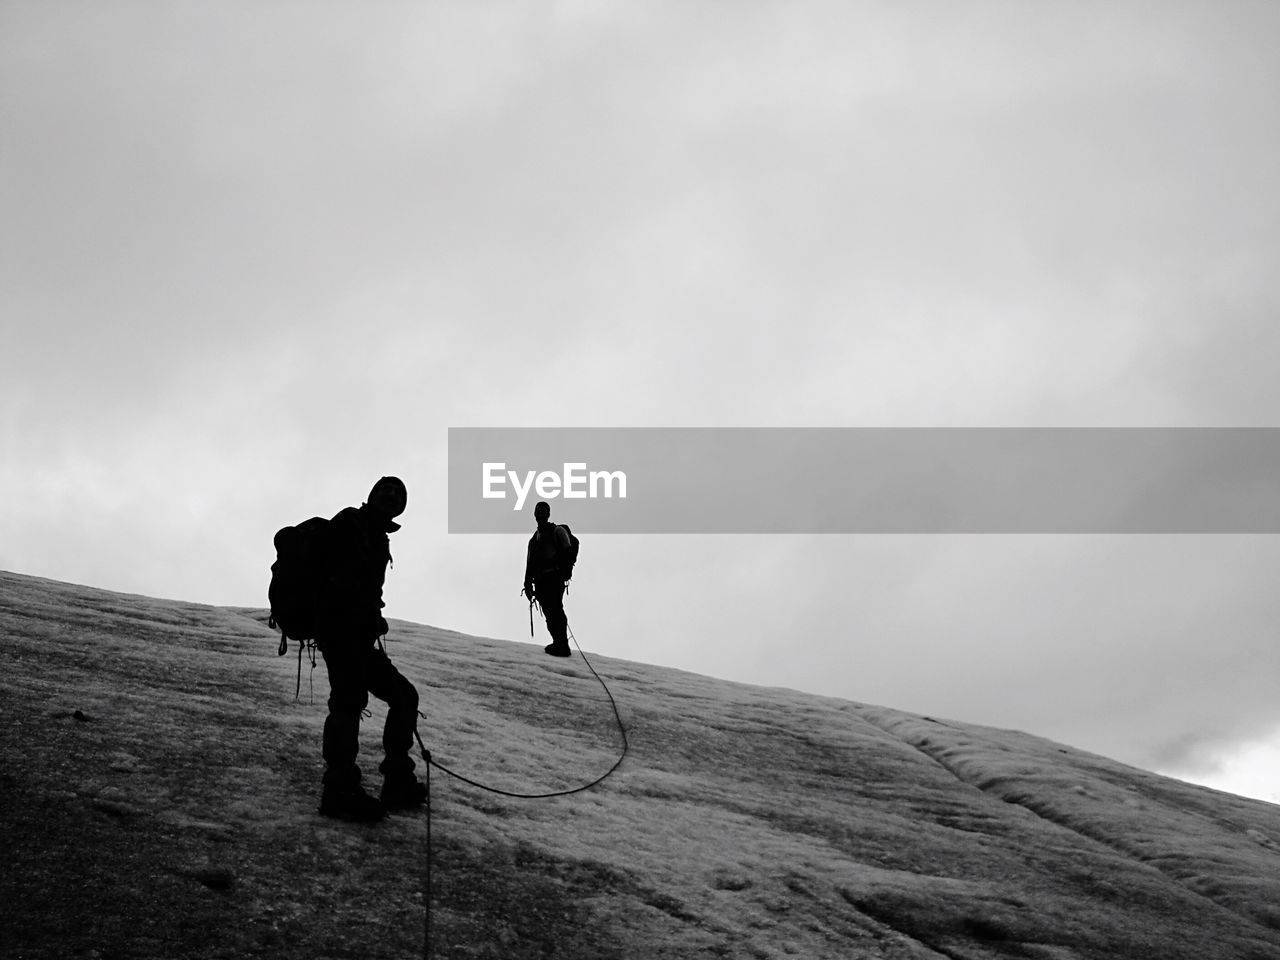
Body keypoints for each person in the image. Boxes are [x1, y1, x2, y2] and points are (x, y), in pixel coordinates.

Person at [315, 476, 426, 822]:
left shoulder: (376, 536)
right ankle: (339, 790)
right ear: (372, 496)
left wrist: (372, 616)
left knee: (404, 696)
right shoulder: (351, 522)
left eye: (397, 494)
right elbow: (337, 575)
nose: (391, 495)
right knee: (349, 702)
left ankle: (396, 779)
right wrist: (360, 610)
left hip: (356, 633)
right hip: (340, 630)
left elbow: (358, 583)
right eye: (385, 490)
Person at [523, 500, 573, 658]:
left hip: (553, 577)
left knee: (555, 609)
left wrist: (565, 572)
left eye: (543, 511)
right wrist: (528, 584)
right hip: (541, 581)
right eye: (538, 511)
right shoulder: (533, 540)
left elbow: (568, 552)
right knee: (550, 611)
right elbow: (529, 564)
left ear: (548, 513)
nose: (540, 514)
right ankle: (558, 642)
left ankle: (562, 644)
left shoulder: (556, 531)